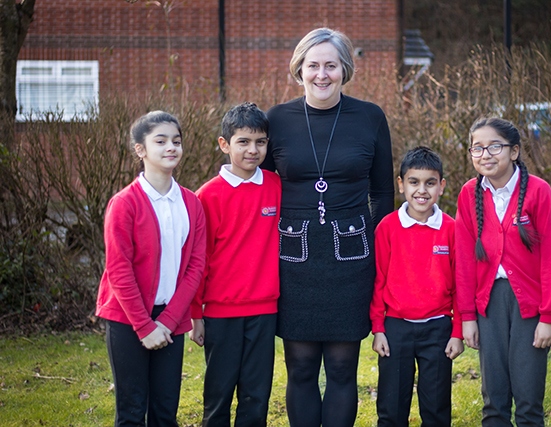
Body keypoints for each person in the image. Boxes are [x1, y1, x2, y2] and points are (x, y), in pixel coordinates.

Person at [261, 27, 395, 426]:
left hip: (351, 259)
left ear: (345, 69)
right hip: (293, 258)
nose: (322, 74)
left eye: (331, 65)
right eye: (313, 65)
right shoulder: (277, 120)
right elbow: (261, 189)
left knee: (341, 369)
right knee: (300, 368)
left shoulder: (370, 117)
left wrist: (374, 251)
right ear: (299, 69)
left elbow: (383, 193)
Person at [96, 111, 207, 426]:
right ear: (140, 149)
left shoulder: (191, 203)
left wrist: (169, 321)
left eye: (176, 141)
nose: (171, 147)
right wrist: (145, 327)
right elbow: (119, 271)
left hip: (171, 319)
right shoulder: (124, 203)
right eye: (160, 141)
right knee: (131, 412)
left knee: (165, 411)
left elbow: (196, 265)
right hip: (128, 319)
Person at [455, 117, 551, 426]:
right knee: (494, 399)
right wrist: (467, 316)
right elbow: (464, 261)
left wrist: (549, 317)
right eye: (477, 148)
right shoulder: (468, 194)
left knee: (529, 400)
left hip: (529, 305)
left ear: (514, 151)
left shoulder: (539, 193)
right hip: (488, 305)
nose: (485, 154)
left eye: (494, 146)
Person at [189, 102, 281, 427]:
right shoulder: (207, 196)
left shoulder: (275, 186)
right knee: (219, 398)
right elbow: (198, 260)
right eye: (243, 142)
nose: (252, 150)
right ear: (224, 144)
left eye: (260, 142)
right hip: (220, 313)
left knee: (256, 399)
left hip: (263, 311)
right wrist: (195, 314)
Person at [370, 146, 464, 427]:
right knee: (391, 409)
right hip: (396, 329)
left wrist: (457, 331)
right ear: (401, 184)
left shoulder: (451, 229)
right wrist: (378, 329)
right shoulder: (387, 227)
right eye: (414, 182)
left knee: (436, 410)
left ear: (441, 187)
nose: (421, 190)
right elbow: (378, 281)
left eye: (430, 183)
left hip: (437, 329)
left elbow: (461, 284)